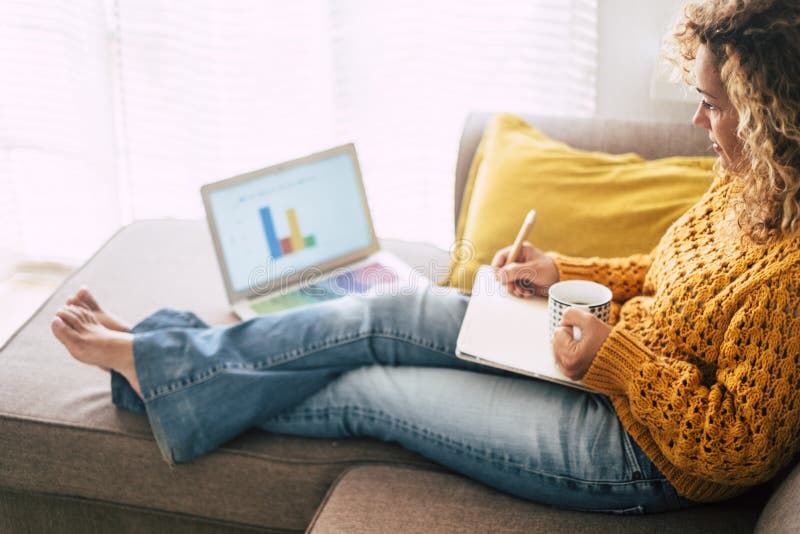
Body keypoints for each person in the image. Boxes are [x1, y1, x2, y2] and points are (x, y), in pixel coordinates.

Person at [52, 0, 800, 514]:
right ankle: (162, 363)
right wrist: (567, 273)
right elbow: (668, 277)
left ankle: (152, 369)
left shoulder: (792, 278)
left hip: (635, 452)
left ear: (773, 115)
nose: (698, 119)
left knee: (370, 390)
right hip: (598, 358)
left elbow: (735, 447)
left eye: (715, 104)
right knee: (389, 309)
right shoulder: (748, 183)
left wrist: (618, 361)